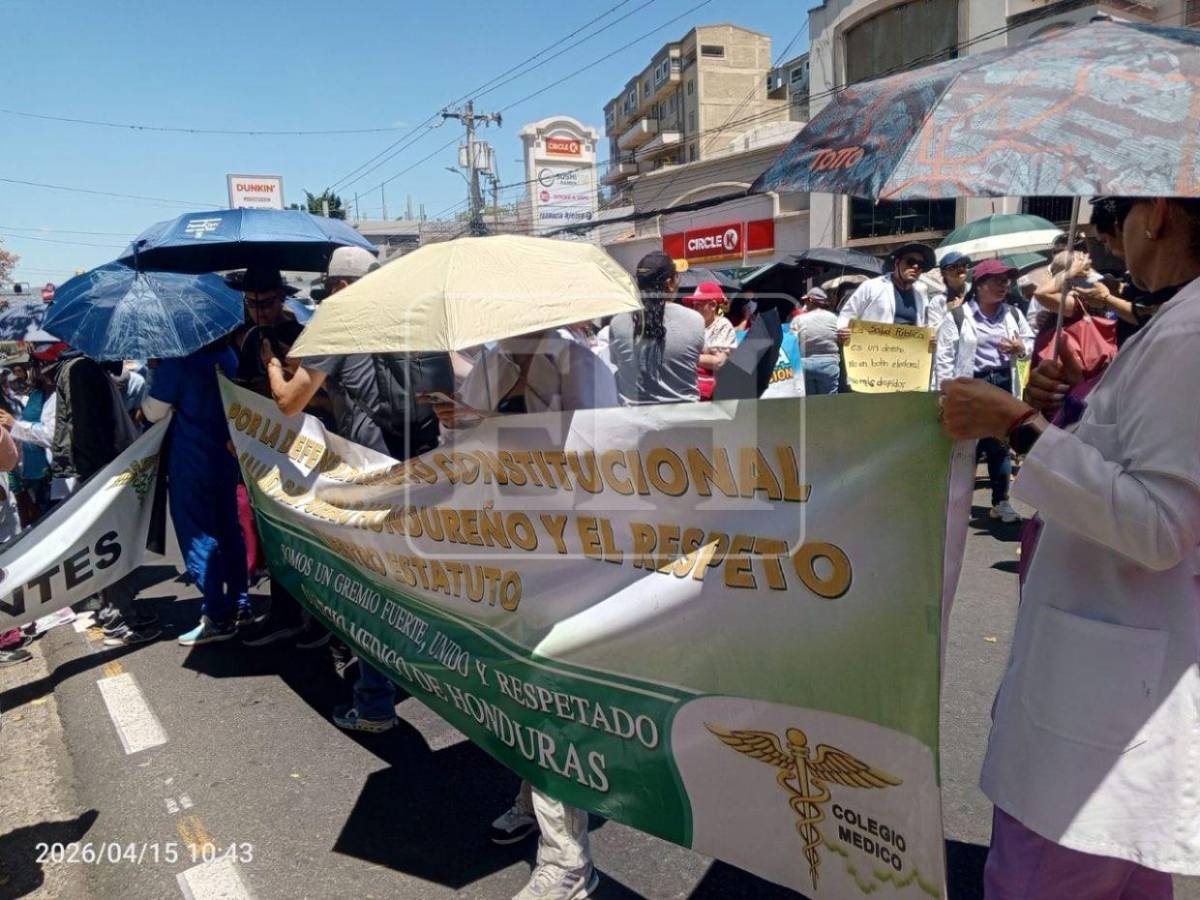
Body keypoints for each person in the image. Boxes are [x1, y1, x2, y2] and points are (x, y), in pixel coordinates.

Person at [940, 196, 1200, 899]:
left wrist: (1020, 425)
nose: (1112, 241)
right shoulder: (1172, 322)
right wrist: (1058, 415)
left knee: (1043, 877)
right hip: (1118, 685)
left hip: (1101, 708)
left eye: (1119, 217)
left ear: (1156, 215)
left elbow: (1160, 524)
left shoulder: (1187, 333)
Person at [434, 327, 615, 900]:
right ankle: (532, 801)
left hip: (569, 550)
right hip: (504, 542)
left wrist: (525, 417)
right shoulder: (492, 363)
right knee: (517, 685)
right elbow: (457, 443)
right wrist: (461, 420)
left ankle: (568, 861)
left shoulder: (583, 364)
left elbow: (607, 457)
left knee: (551, 690)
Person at [264, 246, 454, 730]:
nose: (328, 297)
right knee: (413, 581)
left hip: (371, 475)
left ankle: (374, 704)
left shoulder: (340, 321)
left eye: (329, 288)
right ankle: (422, 672)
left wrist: (272, 367)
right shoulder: (408, 320)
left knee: (370, 588)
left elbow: (289, 402)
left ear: (342, 286)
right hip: (422, 464)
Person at [143, 340, 249, 646]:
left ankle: (217, 614)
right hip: (226, 456)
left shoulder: (177, 361)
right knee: (229, 531)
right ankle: (240, 601)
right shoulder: (227, 354)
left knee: (197, 536)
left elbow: (152, 411)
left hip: (191, 461)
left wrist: (154, 372)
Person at [933, 259, 1033, 524]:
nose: (1003, 285)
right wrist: (945, 394)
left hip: (1003, 383)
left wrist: (1021, 348)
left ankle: (1001, 502)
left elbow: (1029, 343)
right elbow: (944, 358)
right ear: (979, 285)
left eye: (1006, 281)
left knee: (1000, 444)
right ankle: (957, 501)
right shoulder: (958, 317)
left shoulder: (1013, 314)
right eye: (997, 280)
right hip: (972, 385)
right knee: (968, 446)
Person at [607, 252, 704, 406]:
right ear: (669, 283)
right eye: (677, 276)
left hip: (635, 418)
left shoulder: (617, 323)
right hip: (686, 417)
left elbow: (616, 362)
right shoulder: (695, 320)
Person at [837, 242, 944, 339]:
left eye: (920, 264)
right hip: (873, 350)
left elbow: (925, 324)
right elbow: (847, 315)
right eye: (910, 262)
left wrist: (930, 337)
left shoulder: (921, 292)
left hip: (909, 352)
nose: (916, 267)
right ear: (897, 263)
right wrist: (843, 329)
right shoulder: (872, 286)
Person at [684, 281, 737, 401]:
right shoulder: (693, 324)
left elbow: (718, 362)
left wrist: (686, 357)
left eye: (698, 305)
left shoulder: (722, 325)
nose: (694, 309)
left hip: (712, 394)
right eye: (693, 305)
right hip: (689, 387)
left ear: (713, 305)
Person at [792, 287, 840, 395]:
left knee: (810, 401)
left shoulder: (799, 319)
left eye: (806, 301)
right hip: (829, 364)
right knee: (829, 401)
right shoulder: (835, 318)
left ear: (810, 301)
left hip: (805, 364)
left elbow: (792, 340)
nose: (804, 303)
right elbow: (842, 338)